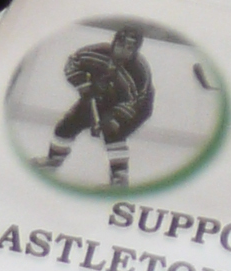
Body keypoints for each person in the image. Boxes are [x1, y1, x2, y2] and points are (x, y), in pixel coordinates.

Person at [39, 25, 155, 191]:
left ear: (135, 51)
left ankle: (119, 178)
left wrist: (114, 118)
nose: (123, 51)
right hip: (99, 96)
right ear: (114, 43)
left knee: (114, 134)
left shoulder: (139, 71)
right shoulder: (96, 52)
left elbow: (135, 101)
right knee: (69, 124)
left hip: (135, 107)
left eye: (129, 48)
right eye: (120, 45)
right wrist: (83, 84)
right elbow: (73, 63)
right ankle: (53, 159)